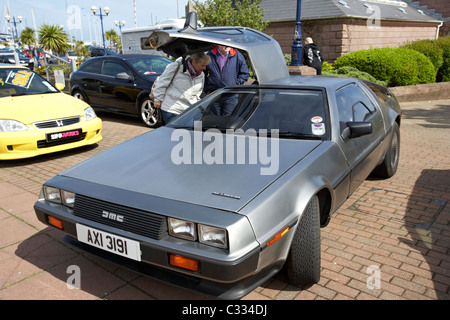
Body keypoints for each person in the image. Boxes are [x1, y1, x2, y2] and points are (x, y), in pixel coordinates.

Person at [152, 52, 211, 124]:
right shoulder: (177, 67)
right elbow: (162, 83)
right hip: (172, 109)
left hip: (188, 111)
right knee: (175, 133)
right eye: (202, 65)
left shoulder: (201, 75)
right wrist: (158, 99)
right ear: (194, 62)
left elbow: (198, 92)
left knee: (189, 133)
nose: (204, 68)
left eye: (205, 66)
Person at [204, 44, 250, 116]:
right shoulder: (209, 55)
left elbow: (245, 74)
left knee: (228, 121)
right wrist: (206, 88)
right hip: (214, 95)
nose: (227, 46)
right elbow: (203, 74)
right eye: (224, 43)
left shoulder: (237, 55)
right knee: (213, 120)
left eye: (229, 43)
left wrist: (235, 85)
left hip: (231, 96)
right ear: (218, 43)